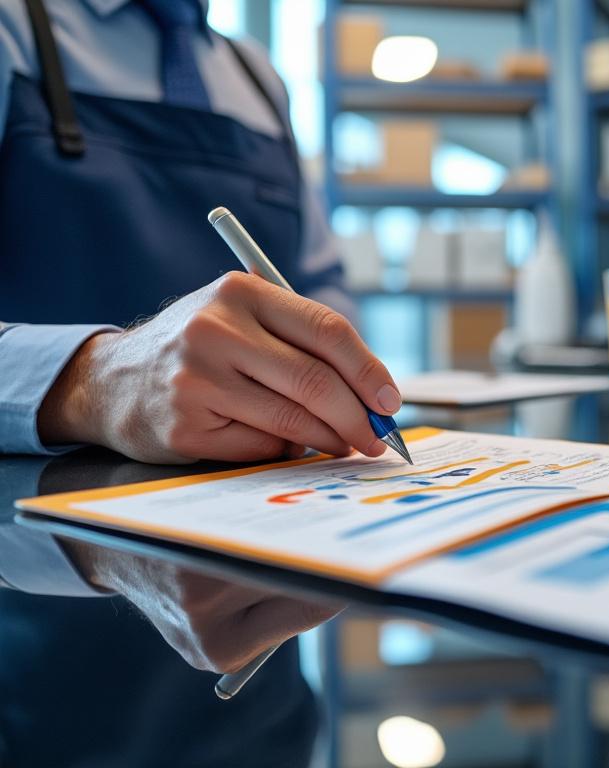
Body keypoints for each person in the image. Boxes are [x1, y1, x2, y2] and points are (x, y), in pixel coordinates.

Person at [0, 0, 399, 764]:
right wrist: (96, 378)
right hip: (42, 651)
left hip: (268, 689)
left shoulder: (256, 77)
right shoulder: (13, 30)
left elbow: (324, 295)